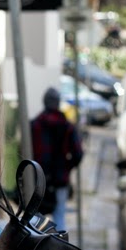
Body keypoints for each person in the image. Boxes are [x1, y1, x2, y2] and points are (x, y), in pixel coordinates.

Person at [30, 86, 83, 231]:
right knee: (59, 219)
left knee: (35, 222)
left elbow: (24, 151)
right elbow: (78, 154)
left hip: (38, 181)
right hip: (60, 180)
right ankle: (60, 245)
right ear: (58, 103)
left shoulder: (34, 125)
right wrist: (66, 167)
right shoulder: (68, 127)